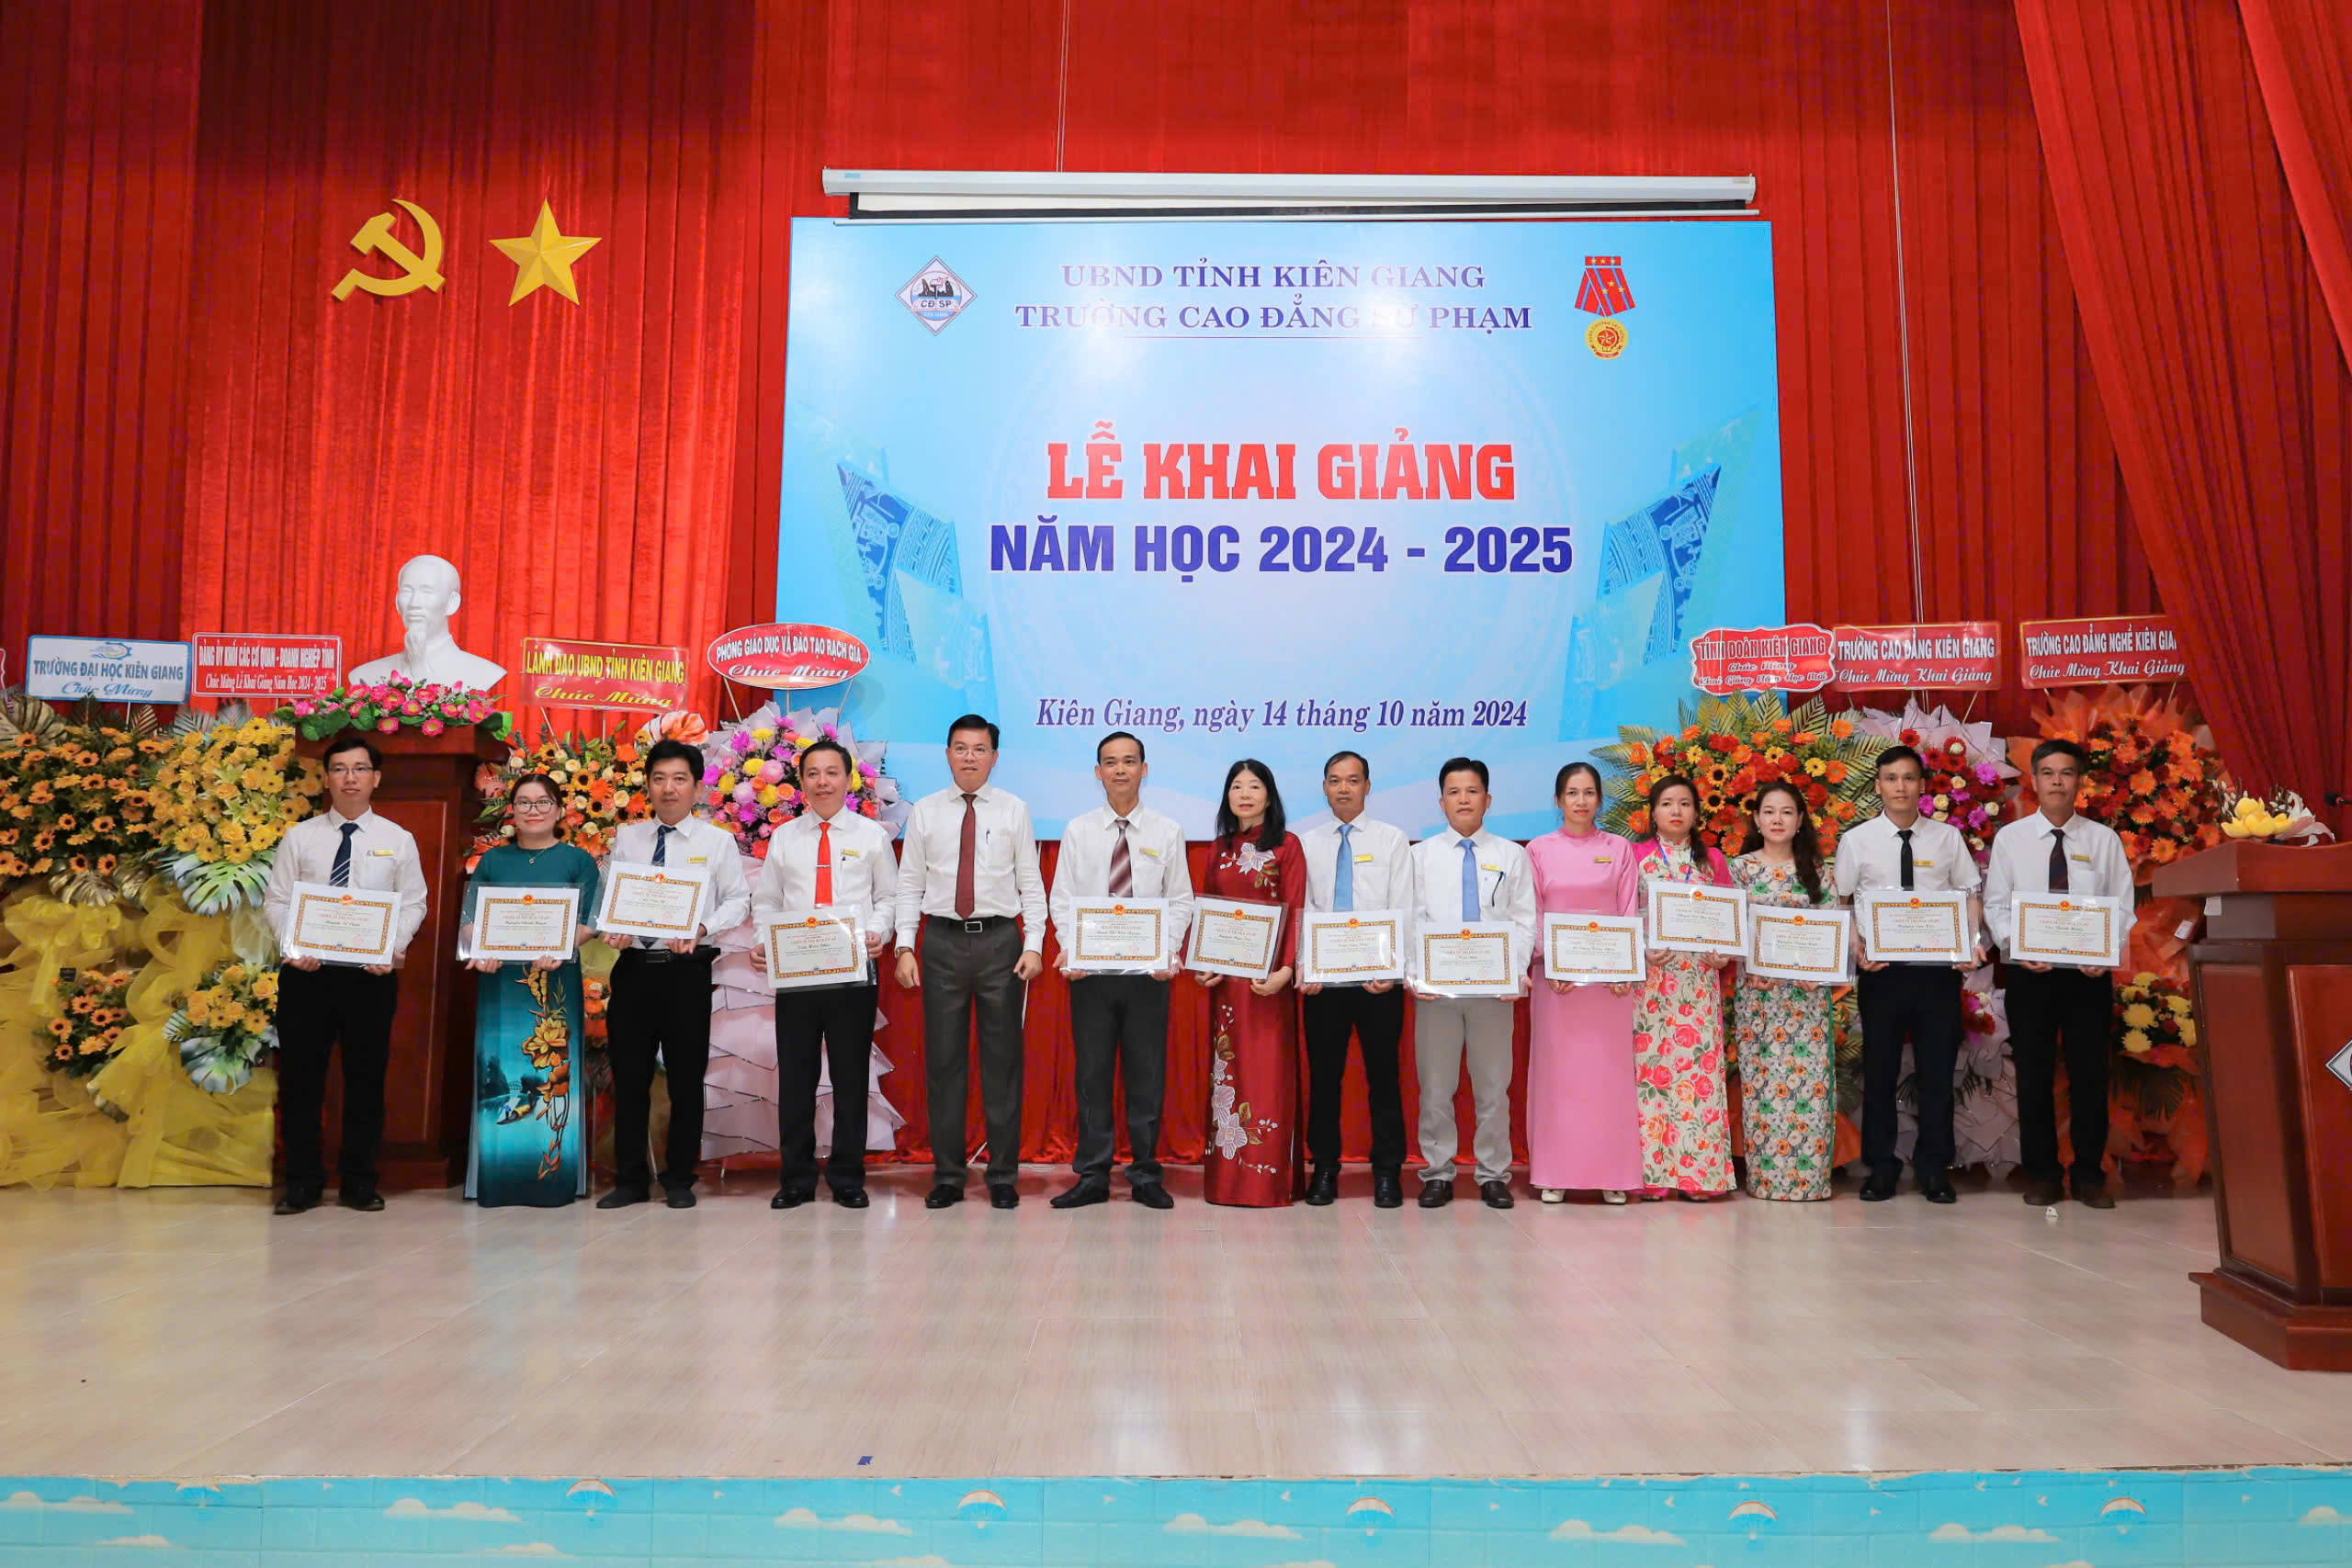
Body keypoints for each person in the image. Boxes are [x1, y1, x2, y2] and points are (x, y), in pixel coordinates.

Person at [260, 734, 427, 1214]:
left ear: (376, 778)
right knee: (301, 1081)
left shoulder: (398, 839)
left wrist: (390, 948)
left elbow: (414, 903)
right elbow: (277, 900)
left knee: (366, 1081)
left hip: (369, 977)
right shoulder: (300, 837)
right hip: (306, 977)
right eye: (339, 769)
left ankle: (359, 1181)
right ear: (326, 779)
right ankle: (302, 1183)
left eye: (359, 769)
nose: (349, 778)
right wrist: (294, 947)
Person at [893, 714, 1047, 1211]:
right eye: (960, 748)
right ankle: (948, 1175)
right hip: (940, 944)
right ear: (947, 754)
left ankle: (1002, 1175)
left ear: (994, 758)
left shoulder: (1014, 810)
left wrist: (1034, 944)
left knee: (1002, 1064)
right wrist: (904, 945)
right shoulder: (925, 812)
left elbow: (1030, 882)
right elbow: (909, 883)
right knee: (944, 1064)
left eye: (979, 749)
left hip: (1001, 943)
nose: (969, 757)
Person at [596, 738, 751, 1211]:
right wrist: (614, 927)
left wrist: (702, 927)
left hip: (686, 971)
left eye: (679, 779)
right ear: (647, 785)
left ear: (697, 787)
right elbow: (612, 897)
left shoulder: (717, 842)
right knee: (630, 1077)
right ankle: (630, 1180)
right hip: (634, 970)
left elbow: (738, 901)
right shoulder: (628, 838)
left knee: (686, 1078)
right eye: (659, 778)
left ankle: (680, 1176)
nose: (669, 788)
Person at [1832, 743, 1985, 1204]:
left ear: (1922, 786)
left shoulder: (1947, 839)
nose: (1900, 786)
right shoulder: (1857, 840)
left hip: (1937, 974)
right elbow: (1842, 902)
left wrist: (1971, 943)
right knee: (1879, 1073)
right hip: (1882, 973)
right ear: (1878, 786)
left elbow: (1970, 893)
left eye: (1909, 778)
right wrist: (1856, 947)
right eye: (1891, 778)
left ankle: (1934, 1168)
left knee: (1936, 1073)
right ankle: (1881, 1168)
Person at [749, 738, 897, 1210]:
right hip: (796, 974)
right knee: (797, 1078)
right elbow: (767, 900)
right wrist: (765, 940)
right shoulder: (785, 837)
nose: (823, 782)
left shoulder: (871, 836)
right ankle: (796, 1178)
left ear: (849, 780)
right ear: (801, 781)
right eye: (813, 773)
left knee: (851, 1077)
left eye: (832, 772)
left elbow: (888, 898)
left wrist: (877, 932)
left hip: (854, 972)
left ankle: (848, 1177)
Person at [1046, 730, 1192, 1209]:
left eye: (1130, 761)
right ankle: (1093, 1175)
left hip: (1149, 977)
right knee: (1092, 1076)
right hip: (1091, 976)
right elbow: (1062, 899)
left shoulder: (1166, 831)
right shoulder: (1079, 830)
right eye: (1111, 762)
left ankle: (1146, 1175)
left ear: (1144, 770)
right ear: (1098, 772)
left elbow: (1180, 900)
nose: (1121, 770)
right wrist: (1072, 949)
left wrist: (1167, 952)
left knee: (1146, 1075)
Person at [1984, 738, 2132, 1210]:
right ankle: (2043, 1174)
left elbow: (2122, 906)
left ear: (2080, 781)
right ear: (2034, 780)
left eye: (2066, 773)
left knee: (2090, 1075)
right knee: (2034, 1075)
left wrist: (2105, 951)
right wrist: (2015, 947)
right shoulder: (2011, 839)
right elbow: (1995, 905)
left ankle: (2089, 1175)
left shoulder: (2103, 840)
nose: (2056, 782)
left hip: (2087, 976)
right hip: (2031, 975)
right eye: (2047, 773)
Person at [460, 772, 598, 1208]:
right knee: (502, 1065)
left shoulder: (578, 861)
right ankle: (500, 1180)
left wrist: (561, 947)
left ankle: (553, 1180)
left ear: (559, 811)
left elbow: (590, 923)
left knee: (552, 1075)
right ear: (512, 811)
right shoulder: (493, 861)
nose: (533, 810)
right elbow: (470, 921)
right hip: (501, 982)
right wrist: (481, 950)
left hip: (555, 984)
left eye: (542, 802)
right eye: (524, 802)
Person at [1407, 757, 1537, 1210]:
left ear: (1488, 799)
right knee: (1436, 1088)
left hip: (1493, 993)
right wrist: (1414, 974)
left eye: (1472, 791)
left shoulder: (1511, 855)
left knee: (1493, 1088)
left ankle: (1493, 1174)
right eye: (1454, 792)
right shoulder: (1420, 856)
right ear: (1441, 802)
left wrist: (1515, 973)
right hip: (1436, 993)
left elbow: (1524, 920)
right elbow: (1410, 920)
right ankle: (1437, 1172)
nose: (1463, 799)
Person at [1295, 750, 1414, 1209]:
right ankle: (1324, 1169)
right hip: (1323, 985)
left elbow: (1402, 906)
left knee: (1384, 1078)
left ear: (1367, 786)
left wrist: (1393, 969)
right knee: (1324, 1079)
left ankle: (1387, 1172)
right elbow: (1301, 909)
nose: (1343, 788)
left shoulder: (1391, 840)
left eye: (1352, 780)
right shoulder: (1306, 843)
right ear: (1324, 787)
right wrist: (1305, 965)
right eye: (1334, 780)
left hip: (1377, 983)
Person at [1526, 761, 1644, 1204]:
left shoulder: (1619, 849)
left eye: (1589, 793)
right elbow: (1533, 913)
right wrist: (1550, 962)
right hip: (1557, 986)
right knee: (1558, 1079)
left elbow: (1628, 910)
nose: (1581, 801)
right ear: (1558, 800)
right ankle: (1554, 1172)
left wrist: (1624, 969)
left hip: (1610, 988)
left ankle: (1613, 1174)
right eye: (1572, 793)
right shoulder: (1538, 850)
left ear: (1600, 800)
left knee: (1607, 1079)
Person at [1199, 759, 1306, 1206]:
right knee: (1229, 1074)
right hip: (1228, 986)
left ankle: (1267, 1182)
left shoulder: (1287, 846)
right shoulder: (1219, 848)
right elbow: (1208, 908)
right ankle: (1227, 1182)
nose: (1245, 794)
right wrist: (1207, 962)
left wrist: (1286, 970)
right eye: (1237, 787)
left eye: (1255, 786)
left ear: (1269, 795)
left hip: (1269, 984)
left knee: (1268, 1076)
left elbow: (1296, 908)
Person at [1729, 780, 1841, 1201]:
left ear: (1800, 821)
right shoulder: (1739, 870)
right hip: (1758, 999)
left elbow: (1831, 932)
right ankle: (1766, 1181)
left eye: (1787, 812)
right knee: (1763, 1090)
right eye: (1769, 812)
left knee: (1809, 1090)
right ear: (1756, 820)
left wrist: (1821, 974)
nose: (1777, 819)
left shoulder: (1818, 871)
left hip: (1806, 1002)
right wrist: (1746, 966)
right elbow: (1729, 930)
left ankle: (1809, 1183)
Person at [1631, 774, 1736, 1201]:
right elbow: (1623, 914)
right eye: (1667, 803)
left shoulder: (1713, 861)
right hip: (1652, 983)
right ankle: (1653, 1177)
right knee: (1651, 1076)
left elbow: (1730, 921)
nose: (1676, 811)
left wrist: (1724, 955)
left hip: (1698, 982)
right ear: (1652, 812)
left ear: (1697, 812)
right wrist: (1640, 950)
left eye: (1685, 803)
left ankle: (1699, 1177)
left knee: (1698, 1074)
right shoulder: (1635, 857)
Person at [346, 553, 507, 689]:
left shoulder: (483, 674)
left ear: (452, 603)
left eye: (427, 592)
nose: (414, 603)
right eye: (407, 591)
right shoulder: (365, 676)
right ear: (396, 602)